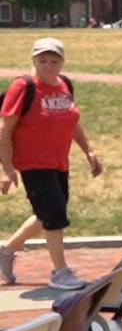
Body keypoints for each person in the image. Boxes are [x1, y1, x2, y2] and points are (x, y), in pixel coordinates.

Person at [0, 38, 102, 289]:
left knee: (46, 213)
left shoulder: (65, 84)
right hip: (32, 162)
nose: (48, 65)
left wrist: (88, 150)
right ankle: (60, 273)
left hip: (58, 161)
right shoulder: (23, 87)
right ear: (33, 61)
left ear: (62, 62)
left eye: (54, 61)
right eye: (42, 60)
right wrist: (7, 168)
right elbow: (4, 127)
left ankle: (6, 251)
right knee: (54, 214)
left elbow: (72, 120)